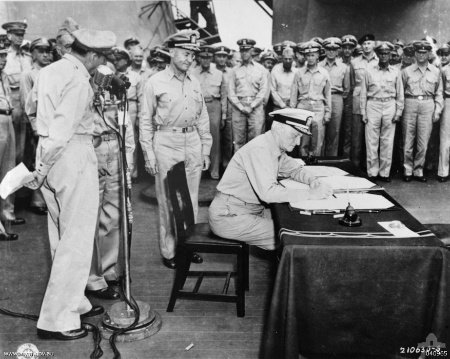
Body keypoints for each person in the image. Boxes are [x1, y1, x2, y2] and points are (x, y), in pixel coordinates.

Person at [24, 28, 116, 340]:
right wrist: (43, 168)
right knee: (75, 240)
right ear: (92, 54)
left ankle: (74, 300)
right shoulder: (78, 80)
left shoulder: (50, 70)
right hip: (70, 154)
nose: (100, 65)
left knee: (61, 234)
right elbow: (63, 130)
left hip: (50, 154)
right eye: (101, 58)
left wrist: (41, 167)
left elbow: (34, 113)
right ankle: (57, 319)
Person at [208, 108, 333, 249]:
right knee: (295, 235)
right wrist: (310, 194)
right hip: (229, 216)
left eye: (300, 137)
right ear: (278, 128)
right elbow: (268, 193)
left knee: (296, 226)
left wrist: (313, 180)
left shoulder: (274, 146)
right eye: (295, 135)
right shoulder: (260, 149)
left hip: (247, 211)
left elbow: (295, 169)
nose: (298, 142)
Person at [140, 30, 212, 269]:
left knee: (191, 200)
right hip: (166, 142)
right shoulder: (155, 82)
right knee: (168, 202)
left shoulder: (195, 82)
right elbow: (145, 121)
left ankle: (188, 246)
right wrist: (148, 154)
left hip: (191, 141)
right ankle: (169, 251)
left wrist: (205, 149)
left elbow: (202, 117)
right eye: (185, 53)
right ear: (171, 52)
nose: (190, 59)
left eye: (193, 54)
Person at [86, 76, 135, 299]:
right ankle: (92, 277)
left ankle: (109, 270)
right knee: (90, 216)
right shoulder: (82, 87)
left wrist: (129, 160)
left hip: (115, 147)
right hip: (91, 147)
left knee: (113, 215)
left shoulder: (117, 90)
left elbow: (127, 126)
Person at [360, 41, 404, 181]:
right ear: (377, 55)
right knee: (372, 141)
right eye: (381, 54)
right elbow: (363, 92)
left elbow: (400, 94)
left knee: (387, 141)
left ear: (390, 55)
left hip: (389, 104)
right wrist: (363, 112)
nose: (384, 56)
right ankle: (372, 172)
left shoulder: (396, 72)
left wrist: (398, 112)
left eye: (386, 54)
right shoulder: (369, 70)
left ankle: (384, 172)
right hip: (373, 104)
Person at [401, 40, 443, 182]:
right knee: (408, 138)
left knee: (423, 141)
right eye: (419, 52)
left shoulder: (436, 71)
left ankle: (418, 170)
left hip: (427, 104)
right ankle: (407, 170)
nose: (421, 55)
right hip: (410, 102)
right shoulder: (406, 71)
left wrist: (437, 110)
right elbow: (400, 91)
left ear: (429, 54)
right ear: (414, 53)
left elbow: (439, 92)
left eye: (424, 52)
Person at [20, 38, 52, 216]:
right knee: (37, 160)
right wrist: (34, 127)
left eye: (48, 51)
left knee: (51, 159)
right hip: (38, 123)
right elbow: (27, 102)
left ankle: (49, 198)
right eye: (41, 51)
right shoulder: (28, 74)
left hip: (53, 122)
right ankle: (37, 199)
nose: (46, 54)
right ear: (32, 53)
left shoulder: (53, 72)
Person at [191, 45, 227, 179]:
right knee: (196, 138)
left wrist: (223, 115)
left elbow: (224, 95)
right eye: (203, 57)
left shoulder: (218, 73)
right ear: (199, 58)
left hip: (213, 106)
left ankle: (214, 170)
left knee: (214, 139)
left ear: (212, 58)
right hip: (197, 106)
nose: (206, 61)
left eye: (208, 57)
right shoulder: (192, 72)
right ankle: (199, 169)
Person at [290, 40, 331, 157]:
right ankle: (303, 165)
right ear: (305, 56)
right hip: (303, 107)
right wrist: (293, 112)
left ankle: (315, 166)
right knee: (303, 139)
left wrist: (328, 113)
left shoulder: (324, 73)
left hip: (318, 108)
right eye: (308, 55)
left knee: (317, 140)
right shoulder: (299, 73)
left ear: (318, 55)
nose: (310, 58)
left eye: (313, 55)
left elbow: (327, 94)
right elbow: (294, 93)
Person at [228, 38, 268, 152]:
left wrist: (252, 106)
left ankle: (253, 168)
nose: (244, 53)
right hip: (238, 108)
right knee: (238, 141)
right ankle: (239, 168)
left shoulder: (261, 69)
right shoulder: (234, 70)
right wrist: (241, 107)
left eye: (247, 50)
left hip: (255, 108)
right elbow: (231, 92)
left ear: (252, 51)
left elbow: (263, 90)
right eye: (242, 50)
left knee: (255, 140)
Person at [2, 20, 32, 166]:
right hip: (11, 103)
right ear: (8, 36)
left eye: (22, 35)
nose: (20, 38)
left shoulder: (28, 57)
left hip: (26, 104)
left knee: (24, 146)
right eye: (16, 34)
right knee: (8, 147)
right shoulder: (4, 57)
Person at [0, 36, 19, 240]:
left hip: (8, 119)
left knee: (8, 170)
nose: (3, 59)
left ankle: (6, 214)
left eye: (4, 55)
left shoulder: (4, 76)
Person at [113, 47, 142, 181]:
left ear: (126, 61)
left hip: (131, 106)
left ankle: (132, 172)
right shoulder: (111, 75)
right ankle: (118, 172)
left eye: (119, 59)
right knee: (117, 139)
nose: (116, 62)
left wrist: (139, 117)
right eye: (115, 59)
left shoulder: (135, 76)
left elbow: (141, 98)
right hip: (116, 107)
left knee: (131, 141)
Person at [350, 34, 378, 168]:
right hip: (357, 102)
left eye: (369, 43)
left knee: (373, 137)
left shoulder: (379, 61)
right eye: (364, 44)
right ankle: (355, 167)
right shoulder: (354, 62)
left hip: (374, 102)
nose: (366, 46)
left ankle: (371, 168)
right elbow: (350, 84)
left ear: (374, 44)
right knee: (356, 137)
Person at [319, 37, 350, 156]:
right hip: (321, 98)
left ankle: (331, 161)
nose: (331, 52)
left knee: (334, 131)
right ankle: (319, 161)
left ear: (338, 51)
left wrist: (338, 98)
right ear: (325, 50)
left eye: (334, 49)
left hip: (336, 98)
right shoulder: (319, 65)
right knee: (320, 130)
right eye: (328, 49)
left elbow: (346, 89)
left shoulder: (343, 67)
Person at [214, 45, 234, 170]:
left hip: (230, 107)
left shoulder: (232, 72)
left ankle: (226, 163)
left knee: (228, 137)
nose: (221, 59)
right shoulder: (211, 71)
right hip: (215, 107)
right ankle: (215, 163)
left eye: (224, 56)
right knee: (214, 137)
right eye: (219, 56)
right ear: (214, 57)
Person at [270, 46, 297, 132]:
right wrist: (282, 105)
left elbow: (298, 90)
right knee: (277, 133)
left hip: (292, 108)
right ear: (282, 58)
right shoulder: (275, 71)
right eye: (285, 59)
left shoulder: (297, 72)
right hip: (279, 107)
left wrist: (292, 105)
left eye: (290, 59)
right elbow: (272, 90)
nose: (288, 61)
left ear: (293, 59)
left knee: (290, 133)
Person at [340, 35, 357, 158]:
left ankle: (346, 158)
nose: (347, 50)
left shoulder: (355, 63)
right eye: (344, 47)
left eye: (349, 48)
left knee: (348, 131)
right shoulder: (337, 62)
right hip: (339, 99)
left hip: (351, 100)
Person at [438, 56, 450, 183]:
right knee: (445, 139)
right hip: (448, 102)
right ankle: (443, 172)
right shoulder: (444, 69)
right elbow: (440, 90)